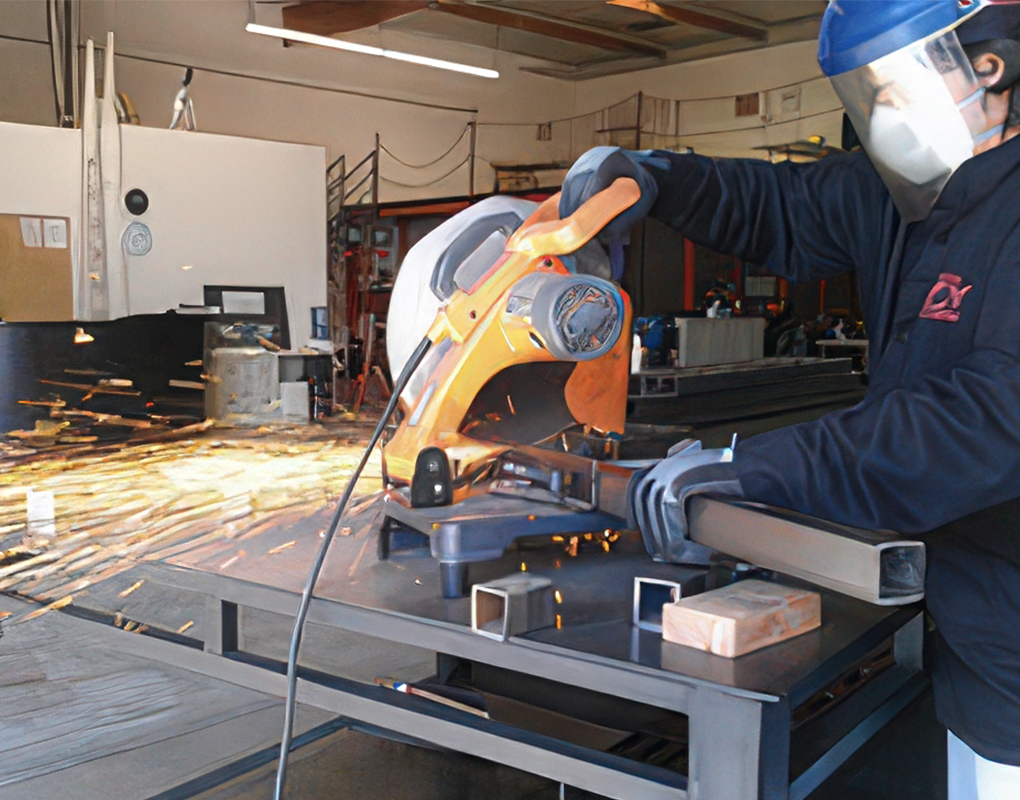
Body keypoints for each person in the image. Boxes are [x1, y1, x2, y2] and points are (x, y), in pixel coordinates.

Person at [559, 2, 1020, 797]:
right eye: (864, 88)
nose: (881, 110)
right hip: (953, 606)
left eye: (896, 80)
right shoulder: (906, 194)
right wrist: (654, 176)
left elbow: (986, 421)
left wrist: (761, 467)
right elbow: (774, 205)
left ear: (990, 67)